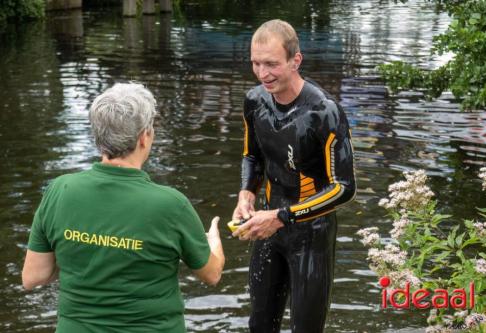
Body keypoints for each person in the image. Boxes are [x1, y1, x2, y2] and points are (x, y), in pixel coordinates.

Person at [22, 82, 225, 333]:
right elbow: (212, 274)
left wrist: (84, 251)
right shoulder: (171, 205)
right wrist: (214, 241)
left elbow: (33, 277)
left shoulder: (59, 191)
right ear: (144, 137)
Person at [232, 19, 356, 333]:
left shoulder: (324, 112)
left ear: (295, 61)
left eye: (271, 64)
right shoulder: (254, 101)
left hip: (311, 233)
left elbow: (344, 187)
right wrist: (246, 193)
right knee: (260, 325)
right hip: (268, 226)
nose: (263, 74)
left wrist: (284, 216)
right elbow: (252, 156)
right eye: (256, 64)